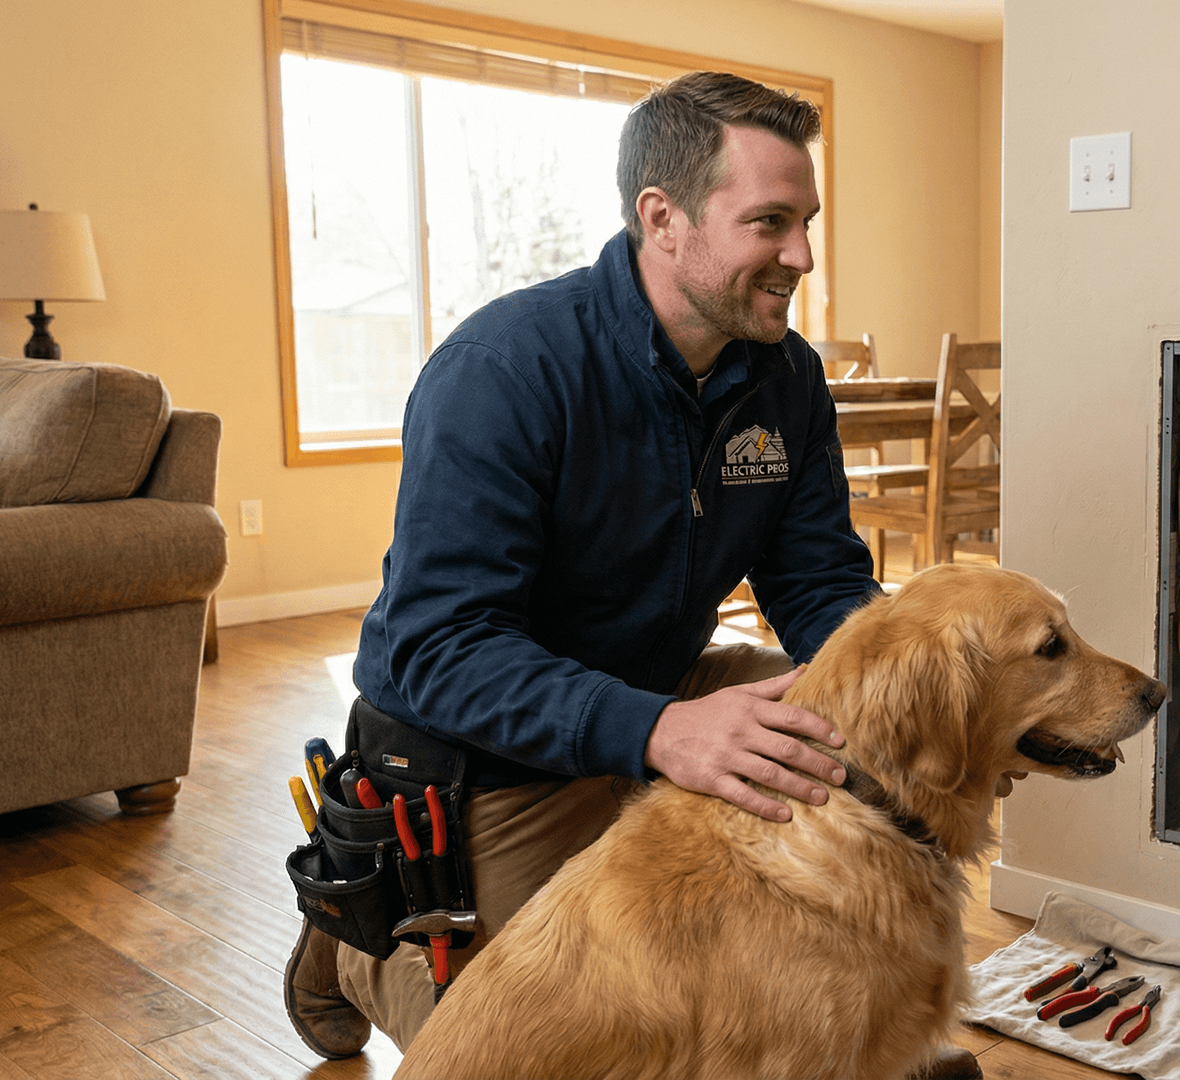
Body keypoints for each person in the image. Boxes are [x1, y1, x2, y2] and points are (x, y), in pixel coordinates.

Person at [283, 70, 984, 1078]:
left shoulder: (785, 379)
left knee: (831, 720)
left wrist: (907, 686)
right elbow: (442, 647)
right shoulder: (505, 370)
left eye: (807, 221)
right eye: (771, 223)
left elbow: (821, 580)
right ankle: (352, 940)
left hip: (655, 687)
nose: (803, 255)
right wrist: (660, 732)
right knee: (526, 1048)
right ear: (664, 218)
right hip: (486, 751)